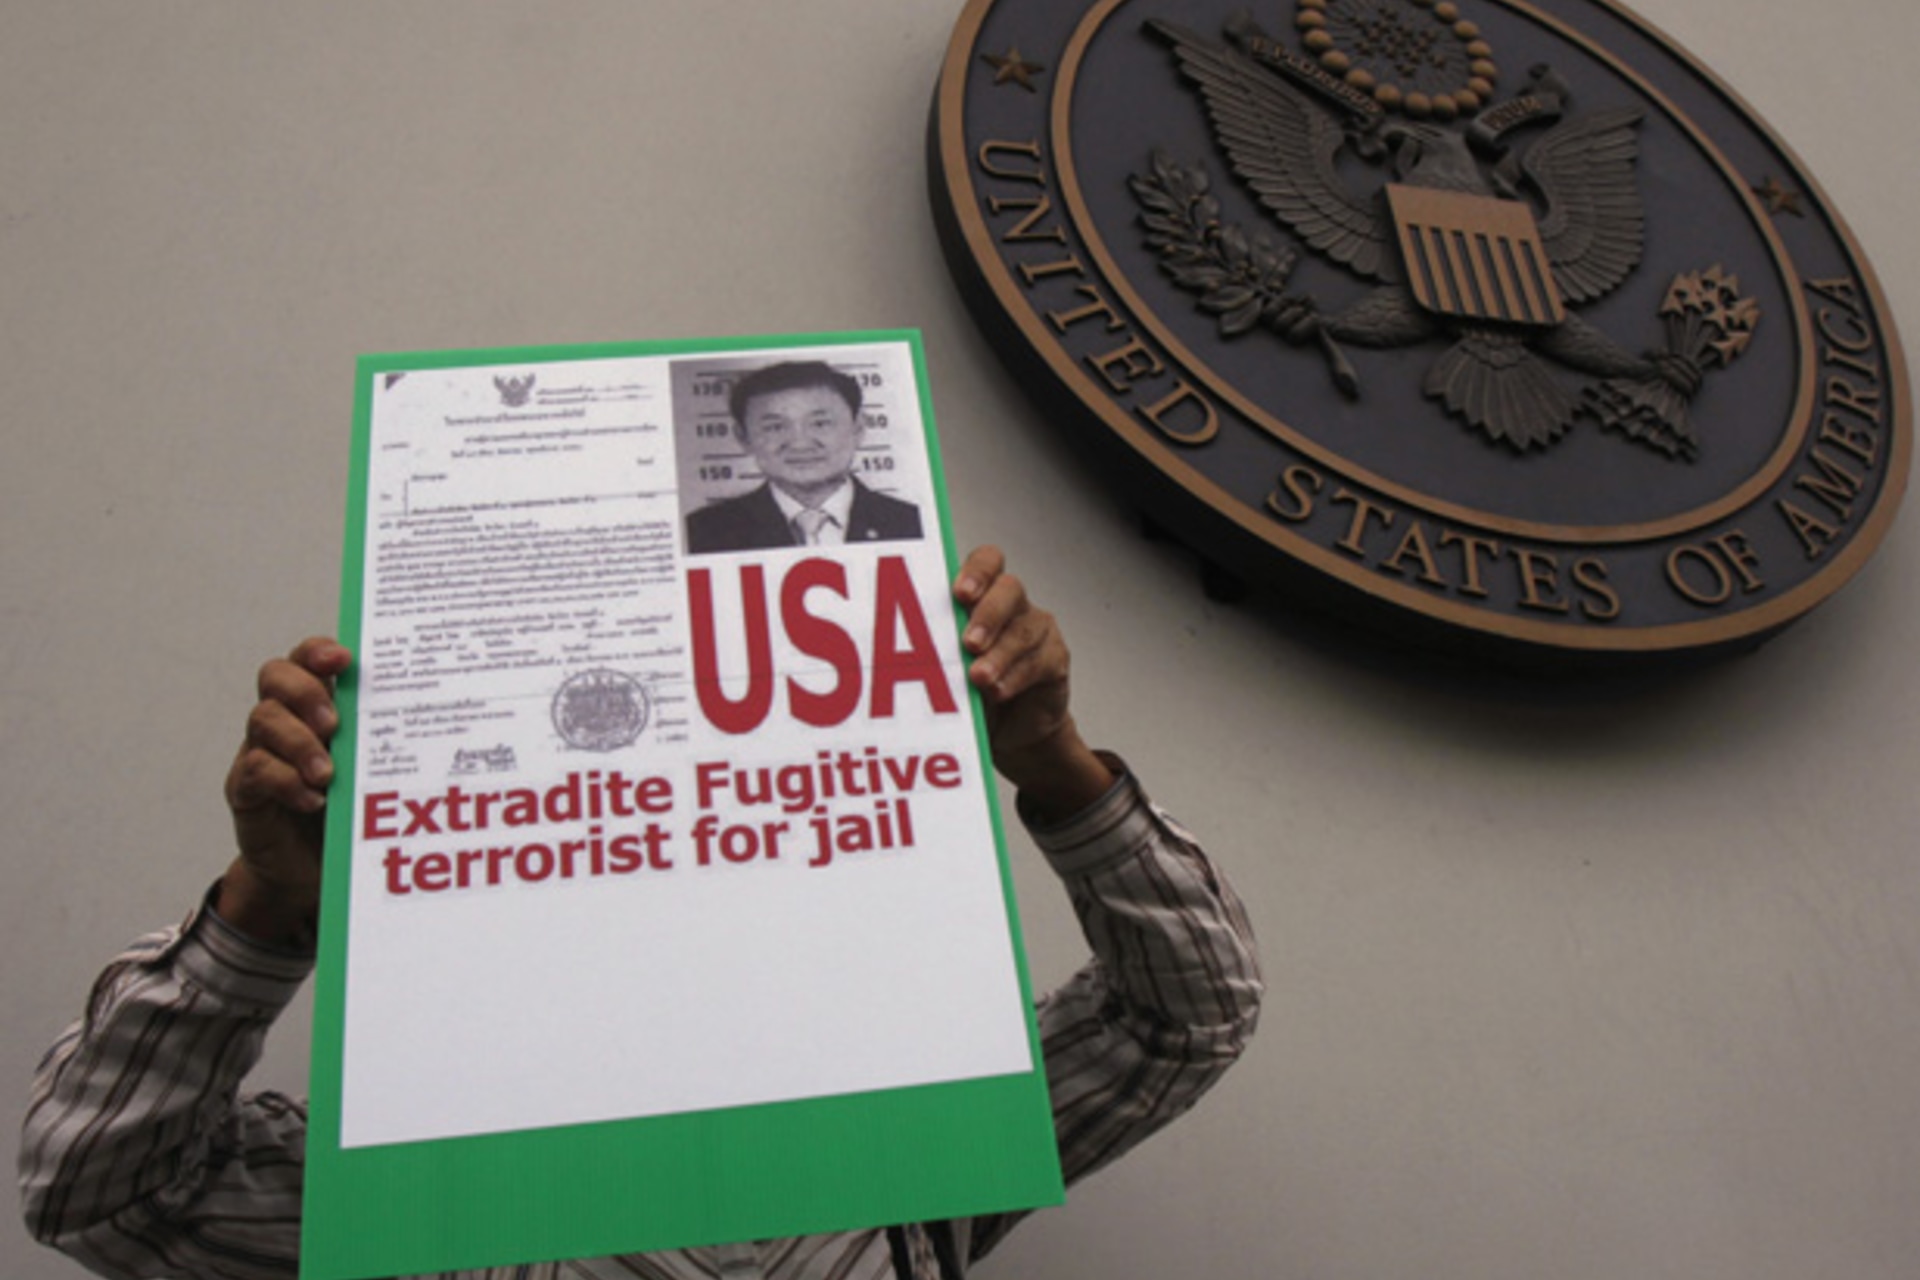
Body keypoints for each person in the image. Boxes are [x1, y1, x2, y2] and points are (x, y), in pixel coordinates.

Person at [20, 546, 1262, 1280]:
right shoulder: (430, 1171)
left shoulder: (911, 1138)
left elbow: (1187, 1013)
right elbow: (97, 1185)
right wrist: (269, 906)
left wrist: (1047, 754)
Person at [684, 361, 923, 553]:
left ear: (858, 428)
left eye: (820, 423)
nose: (800, 443)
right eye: (775, 427)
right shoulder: (703, 533)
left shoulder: (912, 523)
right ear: (743, 438)